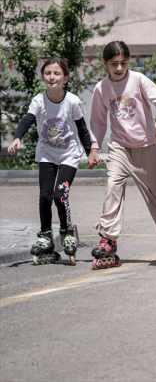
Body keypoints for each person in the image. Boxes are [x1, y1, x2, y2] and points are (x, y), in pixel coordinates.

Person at [88, 41, 156, 269]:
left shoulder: (138, 80)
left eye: (123, 63)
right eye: (114, 64)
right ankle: (108, 238)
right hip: (119, 148)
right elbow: (98, 122)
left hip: (147, 145)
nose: (119, 68)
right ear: (105, 64)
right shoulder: (101, 88)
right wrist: (93, 147)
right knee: (113, 187)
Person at [7, 58, 94, 265]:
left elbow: (82, 128)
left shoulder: (72, 101)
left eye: (56, 73)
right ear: (43, 76)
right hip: (46, 153)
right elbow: (27, 119)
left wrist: (90, 152)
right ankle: (46, 235)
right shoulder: (39, 100)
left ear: (65, 78)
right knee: (45, 196)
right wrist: (18, 137)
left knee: (60, 194)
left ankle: (66, 230)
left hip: (69, 155)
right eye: (48, 73)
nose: (52, 77)